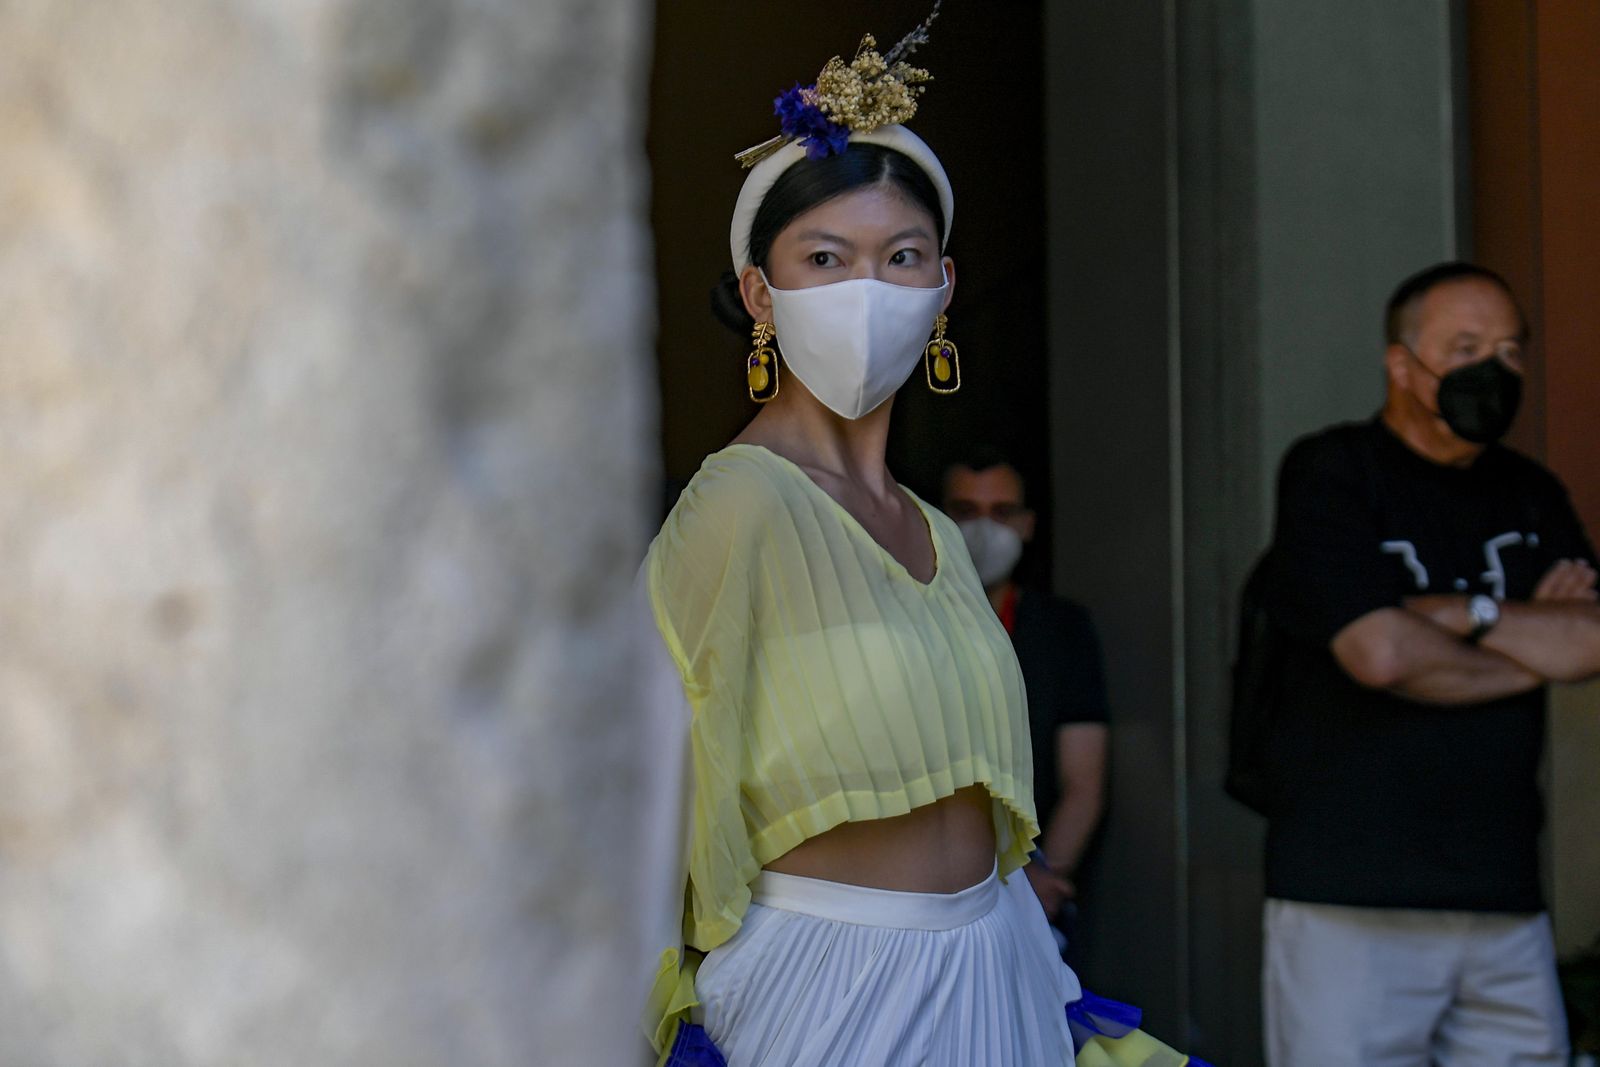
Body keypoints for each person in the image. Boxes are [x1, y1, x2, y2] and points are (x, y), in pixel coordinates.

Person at [638, 13, 1202, 1067]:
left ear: (943, 289)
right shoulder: (738, 508)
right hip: (833, 978)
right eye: (824, 256)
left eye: (901, 257)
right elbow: (641, 785)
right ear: (760, 293)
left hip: (998, 957)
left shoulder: (933, 528)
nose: (867, 288)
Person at [1260, 261, 1600, 1067]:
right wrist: (1524, 634)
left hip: (1504, 897)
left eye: (1513, 351)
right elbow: (1375, 653)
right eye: (1469, 346)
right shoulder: (1333, 473)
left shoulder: (1532, 493)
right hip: (1349, 898)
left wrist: (1448, 619)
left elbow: (1589, 641)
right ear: (1403, 364)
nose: (1497, 370)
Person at [942, 450, 1109, 961]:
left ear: (1028, 524)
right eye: (965, 512)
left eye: (1002, 513)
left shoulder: (1062, 630)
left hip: (1033, 883)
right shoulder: (898, 621)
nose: (983, 530)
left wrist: (1044, 878)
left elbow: (1084, 783)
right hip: (927, 886)